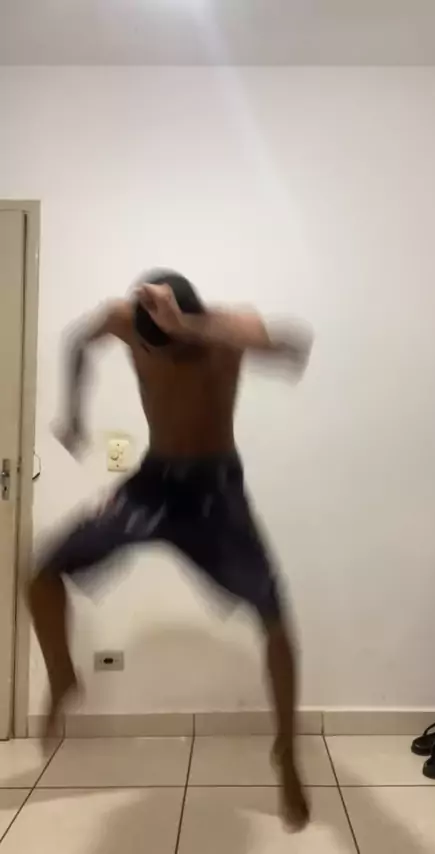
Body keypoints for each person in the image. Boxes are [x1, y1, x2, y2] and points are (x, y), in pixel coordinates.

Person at [28, 270, 312, 829]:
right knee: (40, 575)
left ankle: (286, 750)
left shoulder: (227, 328)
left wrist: (191, 327)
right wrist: (75, 414)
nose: (167, 356)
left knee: (275, 617)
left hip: (215, 493)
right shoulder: (122, 319)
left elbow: (293, 349)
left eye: (176, 345)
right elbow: (78, 341)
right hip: (153, 486)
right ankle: (63, 675)